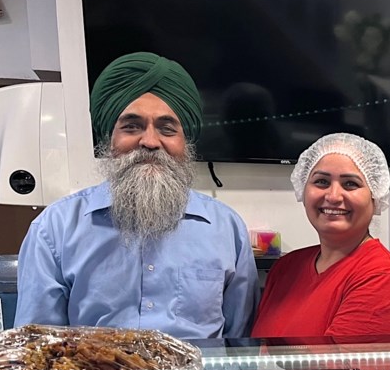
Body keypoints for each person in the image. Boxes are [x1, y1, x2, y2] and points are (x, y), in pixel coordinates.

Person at [14, 51, 259, 339]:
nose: (150, 142)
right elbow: (37, 347)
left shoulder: (227, 230)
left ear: (185, 142)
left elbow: (239, 342)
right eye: (132, 126)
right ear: (109, 138)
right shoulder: (54, 230)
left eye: (167, 129)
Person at [251, 133, 390, 343]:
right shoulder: (286, 267)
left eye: (350, 184)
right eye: (321, 181)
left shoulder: (382, 278)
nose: (333, 196)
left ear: (375, 197)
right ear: (303, 190)